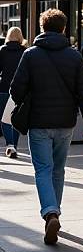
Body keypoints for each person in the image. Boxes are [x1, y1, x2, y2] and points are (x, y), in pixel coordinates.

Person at [10, 9, 83, 245]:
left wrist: (29, 96)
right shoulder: (74, 56)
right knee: (58, 170)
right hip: (66, 123)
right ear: (64, 29)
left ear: (41, 27)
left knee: (43, 170)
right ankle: (55, 211)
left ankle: (50, 212)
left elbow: (16, 90)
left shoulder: (30, 55)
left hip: (38, 122)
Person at [0, 27, 26, 158]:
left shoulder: (2, 51)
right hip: (20, 89)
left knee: (4, 119)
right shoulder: (25, 51)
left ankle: (10, 145)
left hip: (4, 88)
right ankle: (14, 146)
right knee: (16, 118)